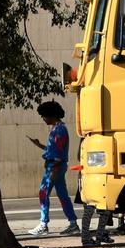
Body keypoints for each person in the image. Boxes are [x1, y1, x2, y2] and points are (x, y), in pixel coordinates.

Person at [27, 101, 80, 236]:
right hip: (57, 166)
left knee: (43, 193)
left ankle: (43, 224)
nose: (43, 118)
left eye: (44, 115)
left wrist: (54, 169)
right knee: (62, 195)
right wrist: (40, 145)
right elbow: (54, 150)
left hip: (54, 167)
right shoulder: (58, 128)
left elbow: (57, 154)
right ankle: (73, 223)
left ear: (51, 115)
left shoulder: (59, 130)